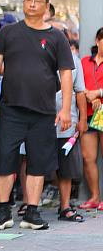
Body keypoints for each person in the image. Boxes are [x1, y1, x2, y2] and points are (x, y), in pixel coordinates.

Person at [0, 0, 74, 231]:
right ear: (23, 3)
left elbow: (66, 74)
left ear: (47, 6)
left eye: (37, 0)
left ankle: (32, 212)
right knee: (4, 160)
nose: (32, 4)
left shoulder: (57, 37)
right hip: (10, 109)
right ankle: (3, 211)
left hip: (44, 112)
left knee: (38, 162)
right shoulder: (7, 33)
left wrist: (65, 109)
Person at [48, 20, 86, 222]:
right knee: (33, 164)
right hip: (39, 120)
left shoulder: (74, 60)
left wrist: (82, 119)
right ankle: (30, 206)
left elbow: (80, 92)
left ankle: (64, 206)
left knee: (66, 167)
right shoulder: (39, 58)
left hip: (67, 122)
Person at [79, 27, 103, 210]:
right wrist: (88, 94)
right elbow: (76, 85)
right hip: (87, 114)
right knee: (88, 157)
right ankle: (94, 196)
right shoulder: (84, 62)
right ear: (97, 41)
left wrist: (99, 93)